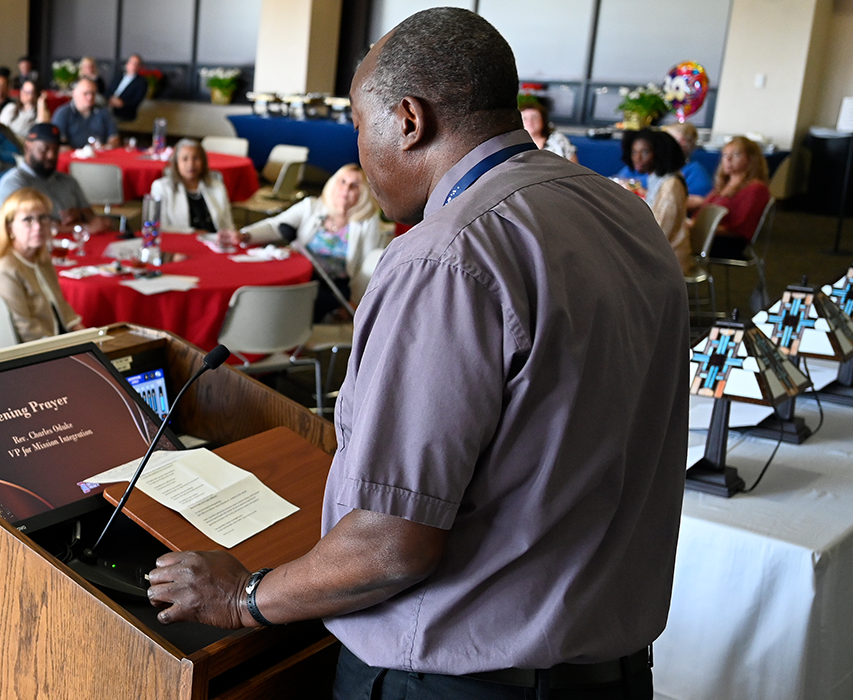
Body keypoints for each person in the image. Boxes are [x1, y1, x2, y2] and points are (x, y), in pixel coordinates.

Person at [142, 11, 686, 700]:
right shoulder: (619, 211)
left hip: (461, 680)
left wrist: (243, 597)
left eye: (360, 128)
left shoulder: (447, 254)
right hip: (608, 671)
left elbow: (391, 545)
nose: (360, 153)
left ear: (408, 120)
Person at [229, 164, 388, 318]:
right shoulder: (311, 206)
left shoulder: (367, 222)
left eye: (354, 186)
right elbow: (274, 225)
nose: (346, 189)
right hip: (300, 275)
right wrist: (245, 235)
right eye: (342, 182)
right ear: (333, 183)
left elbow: (367, 269)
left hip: (334, 286)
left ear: (363, 193)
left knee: (291, 301)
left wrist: (357, 301)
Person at [0, 188, 82, 342]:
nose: (38, 226)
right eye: (28, 220)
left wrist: (83, 334)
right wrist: (65, 347)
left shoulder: (40, 258)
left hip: (54, 339)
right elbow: (25, 328)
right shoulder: (4, 269)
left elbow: (60, 303)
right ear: (9, 227)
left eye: (43, 218)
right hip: (32, 352)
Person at [0, 124, 105, 236]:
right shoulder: (14, 183)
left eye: (55, 150)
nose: (51, 155)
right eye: (44, 149)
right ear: (28, 147)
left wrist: (79, 214)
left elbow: (91, 215)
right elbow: (23, 227)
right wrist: (82, 228)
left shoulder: (68, 180)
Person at [624, 129, 695, 276]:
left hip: (668, 260)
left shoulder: (671, 185)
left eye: (644, 152)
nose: (637, 158)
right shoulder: (659, 178)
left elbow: (659, 233)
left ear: (660, 153)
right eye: (634, 152)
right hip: (659, 252)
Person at [698, 136, 773, 260]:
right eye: (725, 155)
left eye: (736, 154)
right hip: (707, 235)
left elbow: (739, 229)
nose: (728, 159)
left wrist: (700, 228)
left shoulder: (756, 189)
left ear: (751, 159)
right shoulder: (723, 185)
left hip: (728, 242)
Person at [150, 139, 235, 234]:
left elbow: (228, 225)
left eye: (196, 158)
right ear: (176, 163)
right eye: (185, 159)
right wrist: (192, 232)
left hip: (215, 242)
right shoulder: (162, 187)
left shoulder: (217, 187)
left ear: (203, 162)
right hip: (181, 243)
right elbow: (160, 227)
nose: (191, 164)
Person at [52, 79, 115, 147]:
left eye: (93, 93)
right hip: (73, 155)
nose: (90, 97)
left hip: (100, 154)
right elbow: (58, 142)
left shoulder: (104, 112)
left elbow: (114, 137)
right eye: (85, 93)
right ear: (74, 93)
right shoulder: (63, 113)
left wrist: (108, 147)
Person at [661, 122, 713, 199]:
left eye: (669, 140)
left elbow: (701, 200)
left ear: (682, 143)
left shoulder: (695, 171)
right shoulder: (660, 165)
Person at [519, 96, 574, 163]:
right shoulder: (515, 143)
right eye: (525, 118)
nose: (530, 121)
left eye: (535, 117)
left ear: (543, 120)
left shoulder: (559, 140)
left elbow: (575, 169)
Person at [108, 54, 149, 122]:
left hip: (125, 112)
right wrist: (111, 99)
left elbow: (136, 100)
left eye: (136, 64)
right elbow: (108, 90)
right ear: (127, 64)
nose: (134, 66)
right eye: (132, 63)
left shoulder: (141, 83)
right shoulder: (118, 77)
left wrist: (121, 103)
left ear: (140, 67)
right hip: (108, 106)